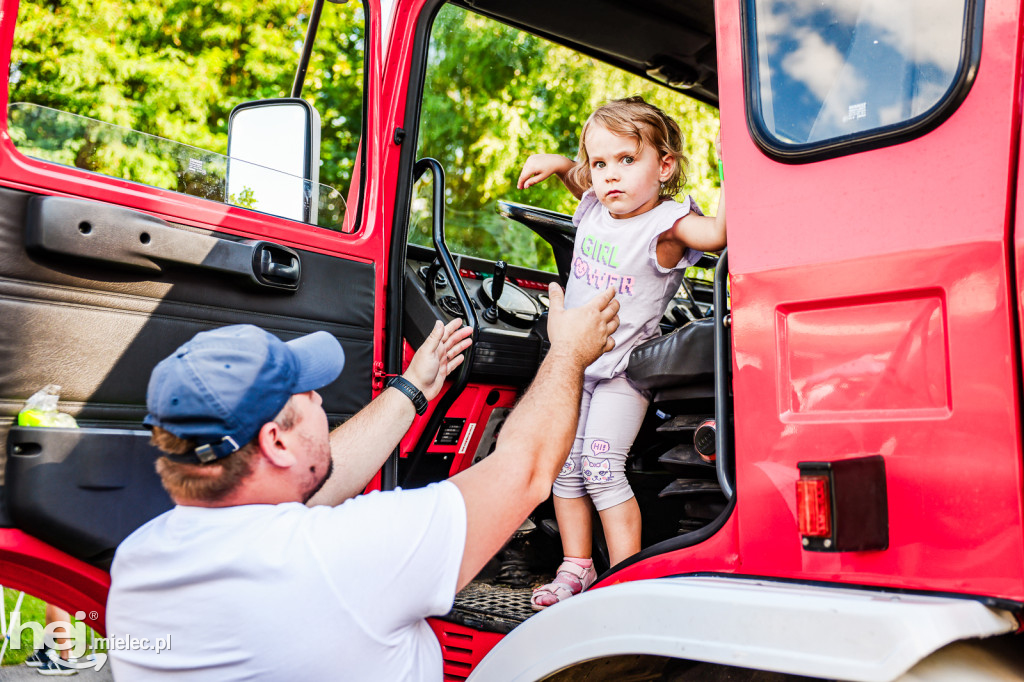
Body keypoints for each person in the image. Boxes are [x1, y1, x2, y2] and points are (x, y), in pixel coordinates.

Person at [106, 282, 619, 681]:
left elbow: (312, 490)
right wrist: (569, 352)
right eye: (306, 392)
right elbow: (525, 471)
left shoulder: (136, 564)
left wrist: (413, 388)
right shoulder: (342, 557)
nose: (320, 402)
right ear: (275, 443)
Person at [517, 95, 726, 609]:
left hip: (620, 374)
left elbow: (719, 234)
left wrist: (736, 163)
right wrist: (563, 165)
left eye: (627, 160)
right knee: (564, 467)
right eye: (600, 162)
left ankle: (626, 578)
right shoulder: (595, 201)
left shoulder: (668, 227)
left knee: (601, 467)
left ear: (665, 165)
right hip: (573, 363)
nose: (610, 175)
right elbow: (581, 183)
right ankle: (577, 568)